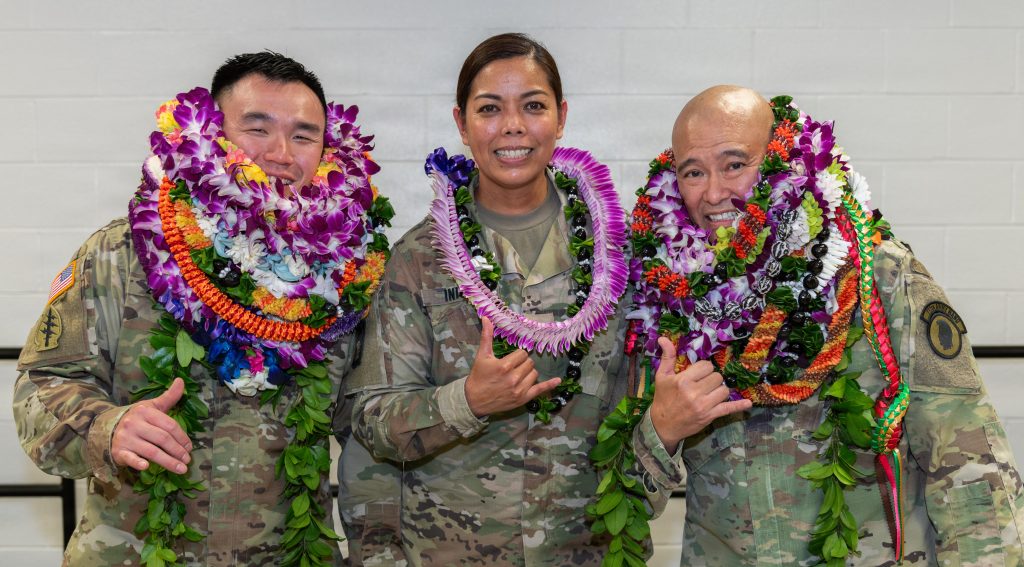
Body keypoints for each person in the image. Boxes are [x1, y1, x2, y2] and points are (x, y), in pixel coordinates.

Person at [337, 33, 749, 566]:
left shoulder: (623, 254)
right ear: (462, 124)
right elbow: (371, 419)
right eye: (490, 109)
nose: (512, 126)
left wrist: (664, 428)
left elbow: (646, 416)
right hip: (448, 552)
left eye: (533, 105)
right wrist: (469, 400)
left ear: (561, 117)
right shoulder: (418, 258)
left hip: (587, 550)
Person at [13, 51, 391, 566]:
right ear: (213, 135)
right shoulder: (122, 253)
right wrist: (108, 425)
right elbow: (40, 388)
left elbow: (370, 433)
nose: (282, 153)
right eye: (258, 128)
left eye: (304, 135)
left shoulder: (348, 278)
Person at [624, 84, 1024, 565]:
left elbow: (970, 469)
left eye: (735, 164)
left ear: (783, 159)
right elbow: (619, 499)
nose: (714, 193)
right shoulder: (666, 302)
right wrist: (663, 427)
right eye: (694, 172)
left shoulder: (877, 275)